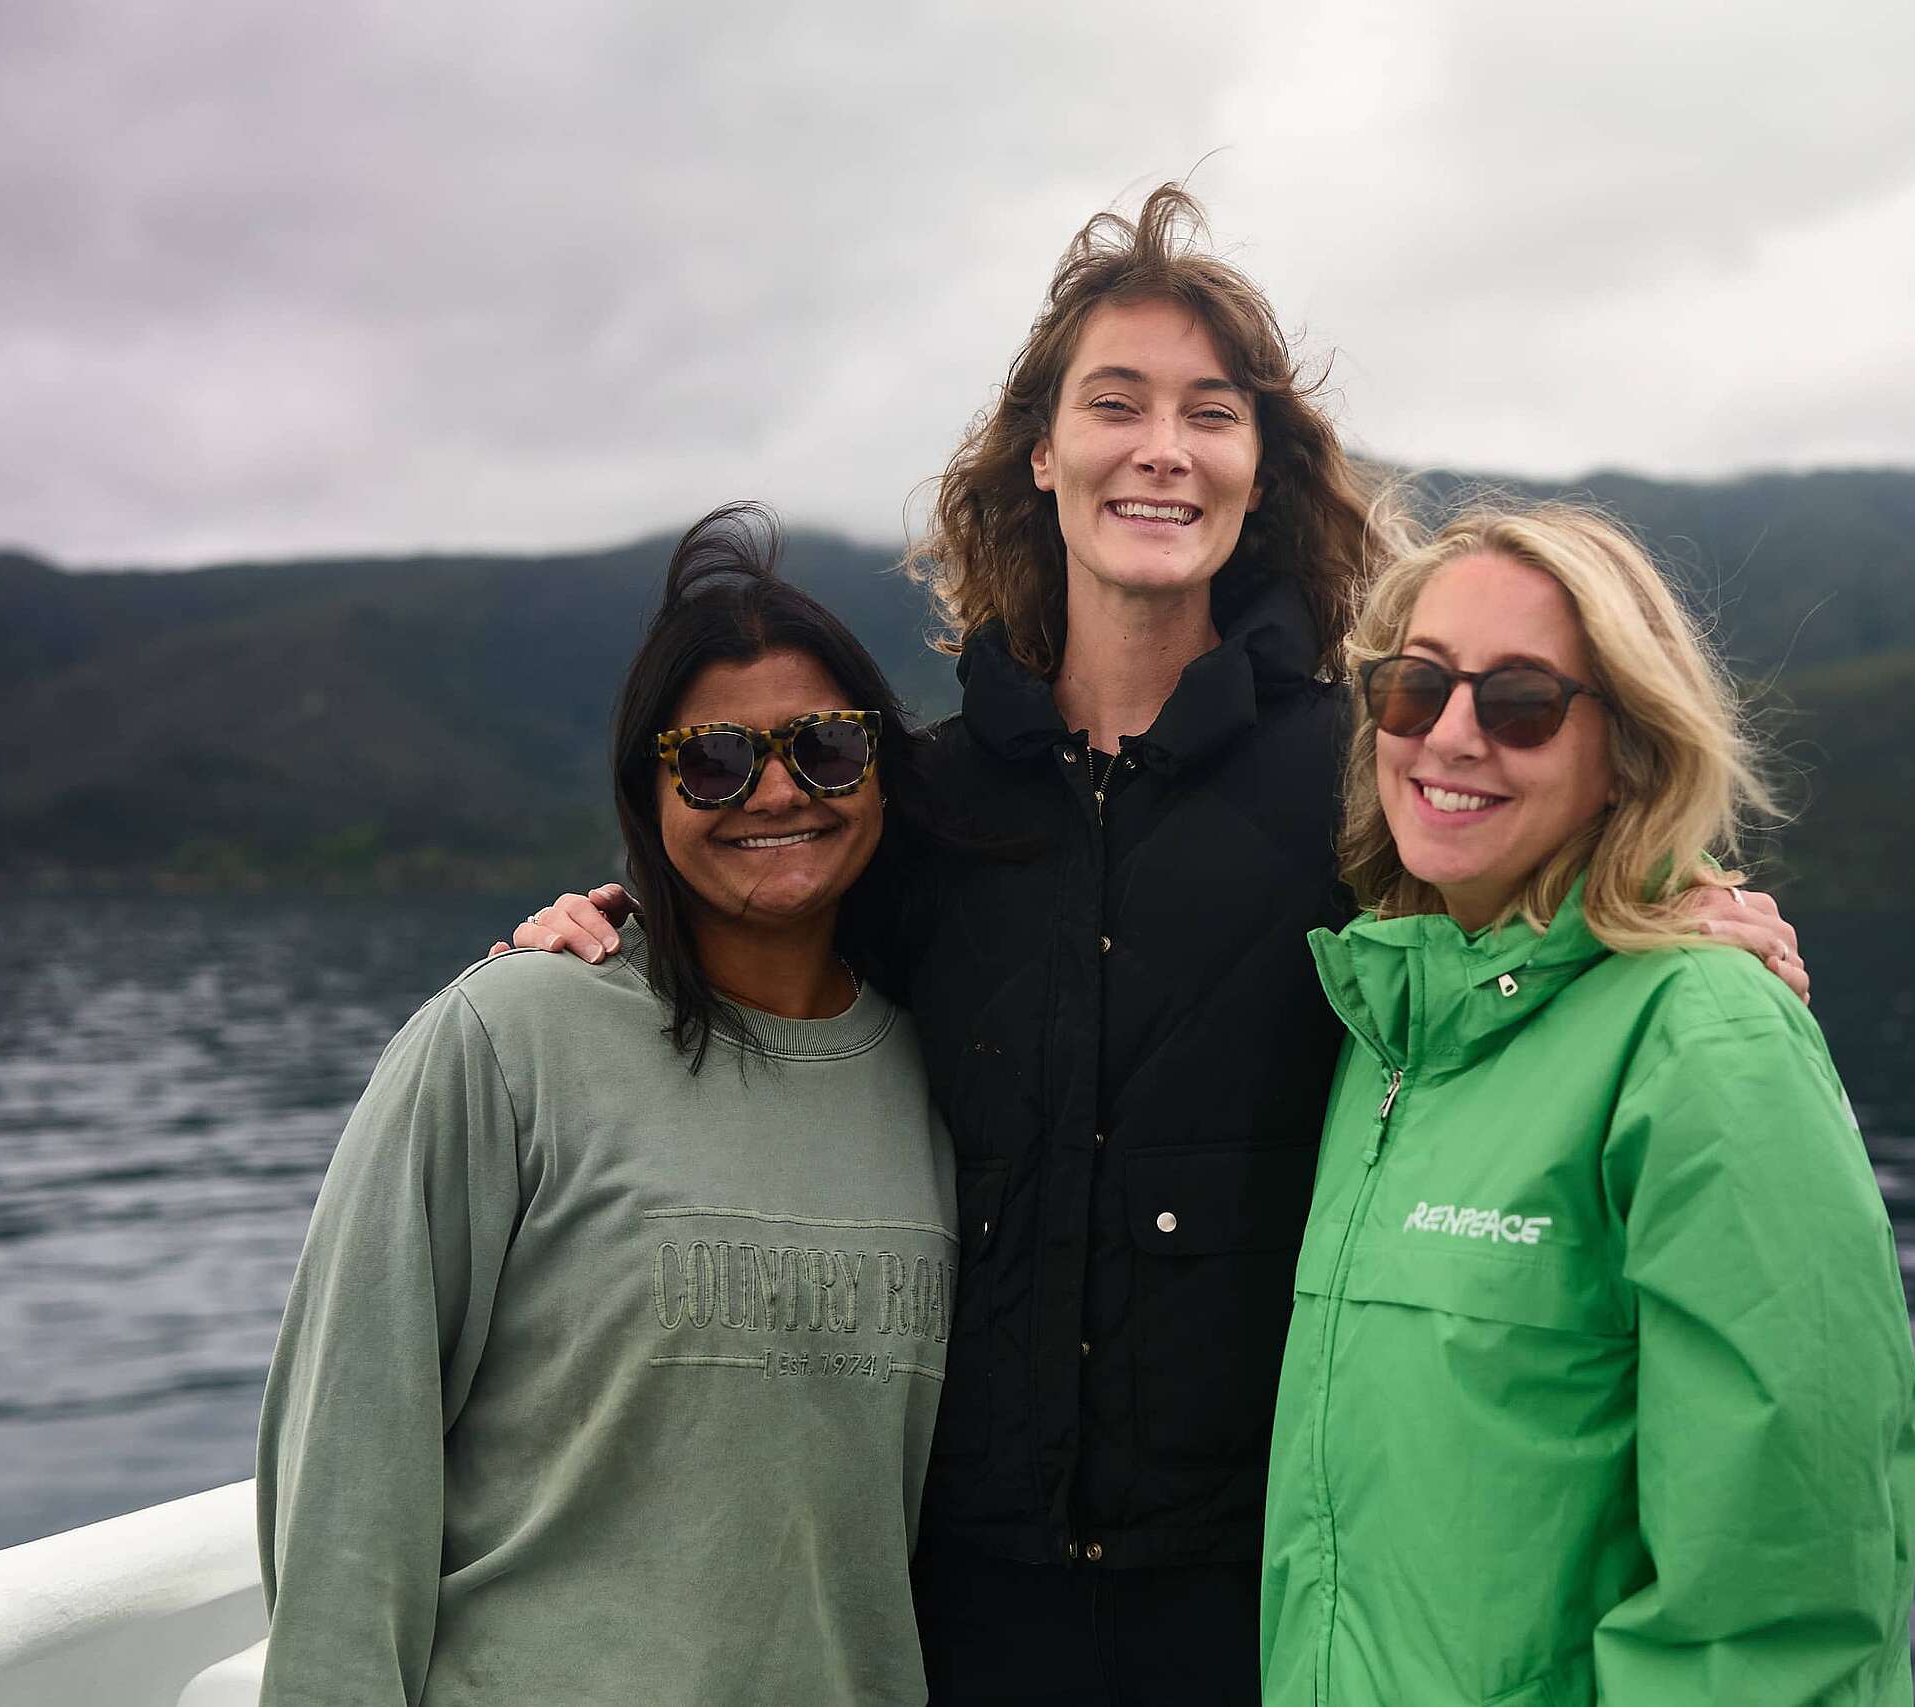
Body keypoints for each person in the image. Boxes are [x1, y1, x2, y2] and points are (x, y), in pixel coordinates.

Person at [506, 184, 1809, 1703]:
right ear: (1039, 453)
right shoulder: (925, 798)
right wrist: (597, 921)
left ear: (1261, 469)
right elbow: (749, 896)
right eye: (1114, 403)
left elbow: (1524, 872)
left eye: (1212, 412)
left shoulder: (1356, 769)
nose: (1163, 447)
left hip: (1264, 1590)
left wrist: (1678, 903)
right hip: (958, 1591)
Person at [257, 505, 961, 1706]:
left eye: (828, 748)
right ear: (651, 790)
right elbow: (347, 1468)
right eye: (717, 758)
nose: (777, 791)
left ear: (883, 776)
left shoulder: (937, 1080)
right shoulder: (506, 1039)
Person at [1260, 503, 1915, 1705]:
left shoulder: (1705, 1040)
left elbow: (1781, 1598)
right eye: (1414, 689)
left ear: (1628, 747)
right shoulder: (1390, 1028)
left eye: (1518, 702)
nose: (1451, 738)